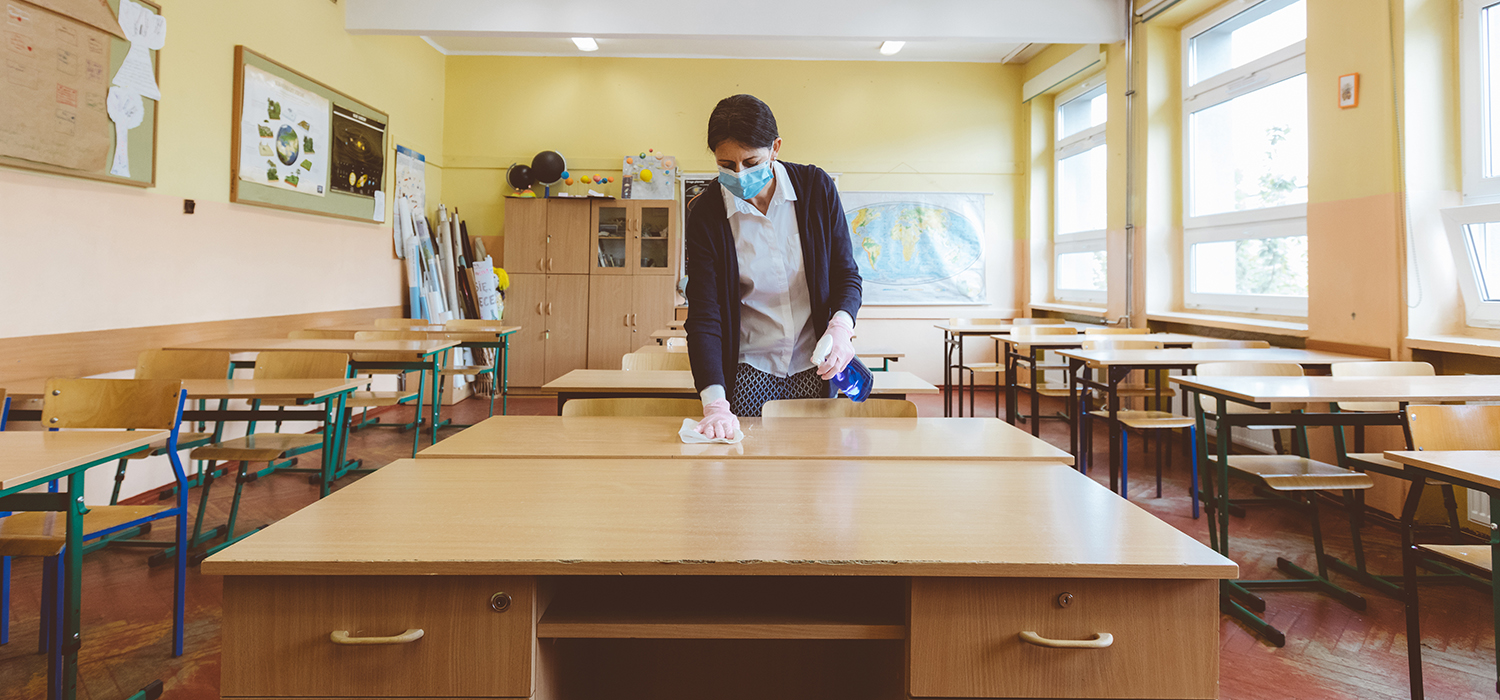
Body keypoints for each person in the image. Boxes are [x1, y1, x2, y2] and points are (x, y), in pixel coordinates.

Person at [684, 94, 863, 438]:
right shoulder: (707, 213)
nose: (739, 175)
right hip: (749, 368)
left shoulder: (815, 189)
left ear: (775, 148)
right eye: (726, 165)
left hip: (814, 364)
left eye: (751, 161)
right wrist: (715, 404)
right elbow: (705, 314)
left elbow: (846, 275)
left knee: (816, 460)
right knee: (751, 464)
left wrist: (841, 326)